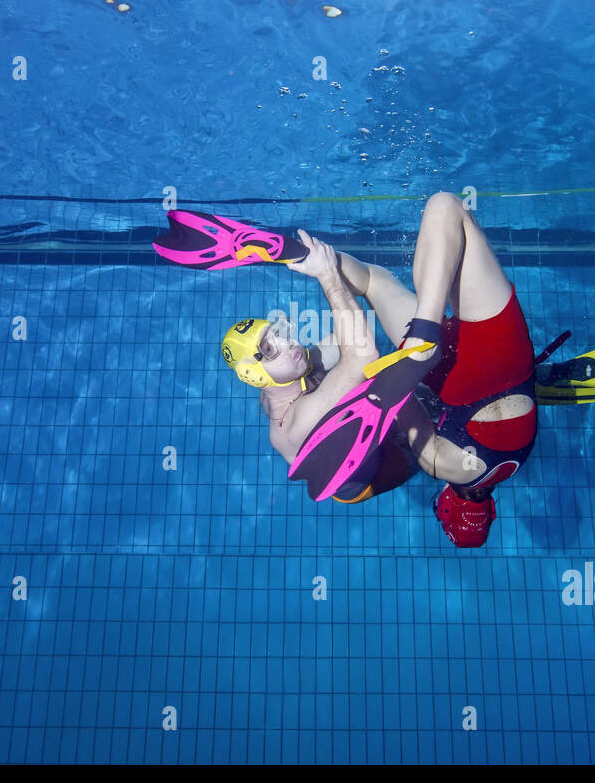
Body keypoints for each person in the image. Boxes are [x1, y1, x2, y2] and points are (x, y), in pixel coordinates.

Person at [221, 192, 537, 545]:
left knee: (377, 279)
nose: (286, 340)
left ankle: (317, 264)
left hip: (494, 373)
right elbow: (362, 359)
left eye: (276, 335)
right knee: (429, 224)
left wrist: (315, 262)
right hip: (448, 392)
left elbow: (360, 355)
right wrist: (328, 278)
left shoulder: (457, 464)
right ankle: (423, 332)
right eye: (270, 347)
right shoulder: (289, 426)